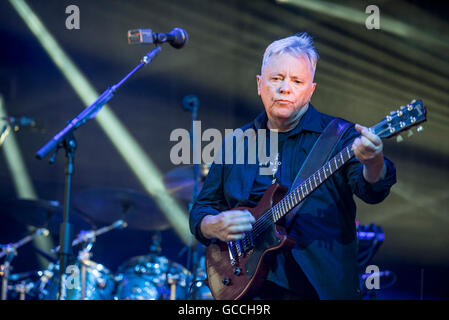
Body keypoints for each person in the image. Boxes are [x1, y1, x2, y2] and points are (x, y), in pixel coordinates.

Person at [189, 32, 396, 299]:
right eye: (276, 79)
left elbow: (372, 191)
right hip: (246, 288)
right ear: (259, 84)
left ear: (311, 90)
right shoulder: (236, 142)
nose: (285, 88)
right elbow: (203, 206)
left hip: (317, 288)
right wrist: (210, 224)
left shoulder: (339, 137)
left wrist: (373, 161)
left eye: (297, 81)